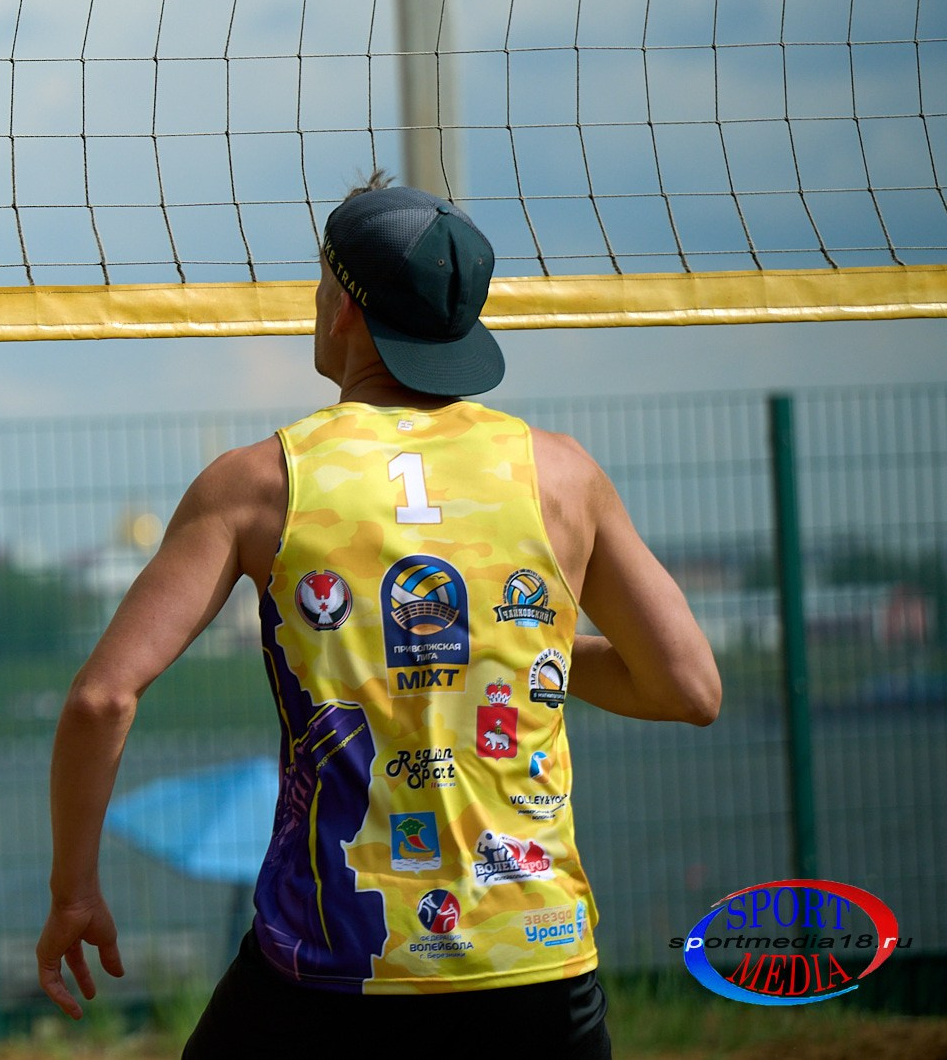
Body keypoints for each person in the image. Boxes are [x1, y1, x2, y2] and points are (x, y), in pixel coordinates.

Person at [35, 175, 722, 1059]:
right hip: (535, 958)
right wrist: (496, 652)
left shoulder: (260, 482)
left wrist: (73, 891)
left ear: (345, 309)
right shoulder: (561, 476)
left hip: (334, 963)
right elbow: (689, 687)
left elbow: (102, 698)